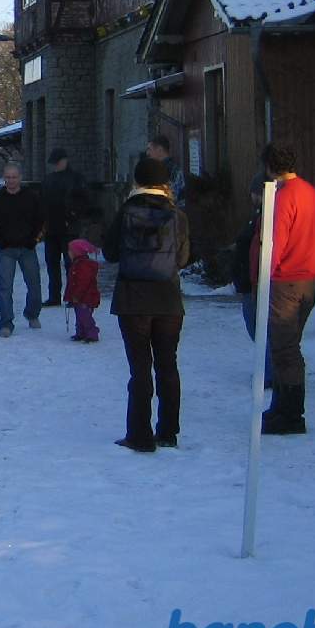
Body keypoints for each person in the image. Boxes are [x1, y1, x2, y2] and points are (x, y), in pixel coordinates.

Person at [102, 157, 191, 452]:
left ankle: (139, 434)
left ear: (137, 181)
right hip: (167, 298)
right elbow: (183, 258)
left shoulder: (126, 211)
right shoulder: (177, 215)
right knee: (168, 365)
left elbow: (110, 252)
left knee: (139, 368)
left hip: (132, 298)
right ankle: (168, 431)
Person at [250, 142, 315, 435]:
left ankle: (291, 412)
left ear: (269, 167)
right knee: (290, 344)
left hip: (285, 279)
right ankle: (282, 406)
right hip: (308, 276)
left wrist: (263, 275)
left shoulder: (282, 198)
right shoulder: (311, 193)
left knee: (284, 348)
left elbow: (275, 241)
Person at [0, 163, 45, 337]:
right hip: (6, 249)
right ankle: (6, 323)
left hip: (27, 248)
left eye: (14, 177)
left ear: (20, 177)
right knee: (5, 288)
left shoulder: (32, 197)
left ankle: (32, 314)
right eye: (8, 177)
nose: (11, 180)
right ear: (4, 178)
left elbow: (41, 220)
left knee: (34, 285)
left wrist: (35, 239)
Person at [231, 172, 273, 388]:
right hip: (249, 280)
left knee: (260, 328)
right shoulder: (257, 216)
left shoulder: (265, 217)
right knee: (257, 328)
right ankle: (271, 369)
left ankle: (270, 372)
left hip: (254, 281)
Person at [41, 147, 86, 307]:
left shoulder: (76, 179)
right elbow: (44, 201)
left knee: (70, 264)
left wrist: (72, 215)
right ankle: (55, 295)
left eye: (57, 162)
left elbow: (82, 201)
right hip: (53, 227)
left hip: (68, 228)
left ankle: (73, 295)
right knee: (52, 263)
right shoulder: (49, 179)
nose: (56, 165)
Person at [64, 238, 102, 343]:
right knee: (80, 315)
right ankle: (81, 332)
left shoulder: (83, 266)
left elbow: (82, 283)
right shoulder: (76, 264)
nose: (68, 253)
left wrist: (76, 295)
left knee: (85, 316)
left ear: (76, 252)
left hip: (86, 297)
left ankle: (92, 333)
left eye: (70, 251)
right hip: (79, 297)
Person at [145, 135, 186, 207]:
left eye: (149, 149)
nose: (147, 153)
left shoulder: (174, 171)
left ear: (160, 150)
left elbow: (172, 197)